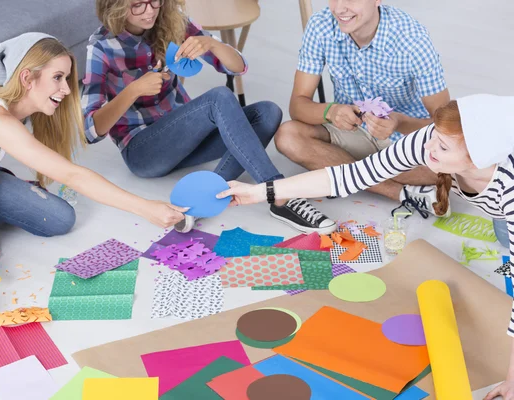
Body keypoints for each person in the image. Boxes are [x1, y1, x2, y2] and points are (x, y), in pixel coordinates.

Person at [217, 95, 514, 399]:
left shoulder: (509, 189)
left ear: (480, 157)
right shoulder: (431, 140)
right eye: (433, 138)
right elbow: (350, 175)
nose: (428, 147)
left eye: (443, 147)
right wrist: (260, 191)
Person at [0, 32, 187, 311]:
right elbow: (73, 175)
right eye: (58, 77)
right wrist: (145, 208)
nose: (67, 89)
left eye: (67, 78)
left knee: (59, 217)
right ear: (27, 78)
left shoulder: (9, 116)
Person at [81, 0, 336, 234]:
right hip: (144, 152)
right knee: (218, 97)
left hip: (187, 139)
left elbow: (238, 67)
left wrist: (213, 44)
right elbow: (90, 130)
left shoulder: (172, 21)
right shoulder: (101, 46)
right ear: (115, 5)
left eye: (154, 1)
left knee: (268, 112)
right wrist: (133, 90)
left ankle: (201, 202)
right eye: (137, 5)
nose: (149, 10)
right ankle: (279, 195)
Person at [274, 0, 450, 217]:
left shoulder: (412, 40)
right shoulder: (320, 26)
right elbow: (298, 105)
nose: (339, 9)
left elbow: (446, 123)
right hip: (351, 132)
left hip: (403, 140)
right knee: (287, 136)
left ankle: (342, 169)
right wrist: (331, 111)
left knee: (448, 168)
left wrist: (399, 123)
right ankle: (398, 193)